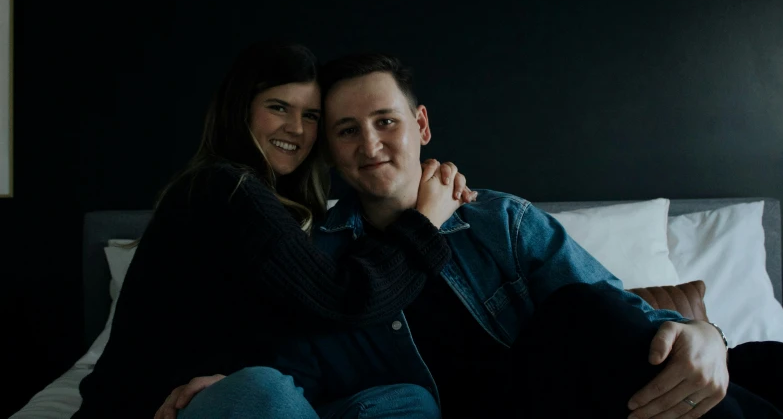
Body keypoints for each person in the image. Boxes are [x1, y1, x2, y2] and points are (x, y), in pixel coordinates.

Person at [161, 52, 783, 418]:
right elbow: (297, 384)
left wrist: (707, 334)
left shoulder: (498, 219)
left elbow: (618, 319)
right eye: (347, 130)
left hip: (568, 405)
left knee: (597, 313)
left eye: (386, 122)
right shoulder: (323, 261)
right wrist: (230, 386)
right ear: (329, 146)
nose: (371, 144)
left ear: (421, 125)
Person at [72, 42, 477, 419]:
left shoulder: (283, 210)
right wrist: (426, 221)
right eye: (279, 107)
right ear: (242, 109)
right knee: (263, 390)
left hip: (224, 394)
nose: (297, 129)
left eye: (311, 116)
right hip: (154, 407)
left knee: (407, 401)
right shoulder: (223, 187)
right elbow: (345, 300)